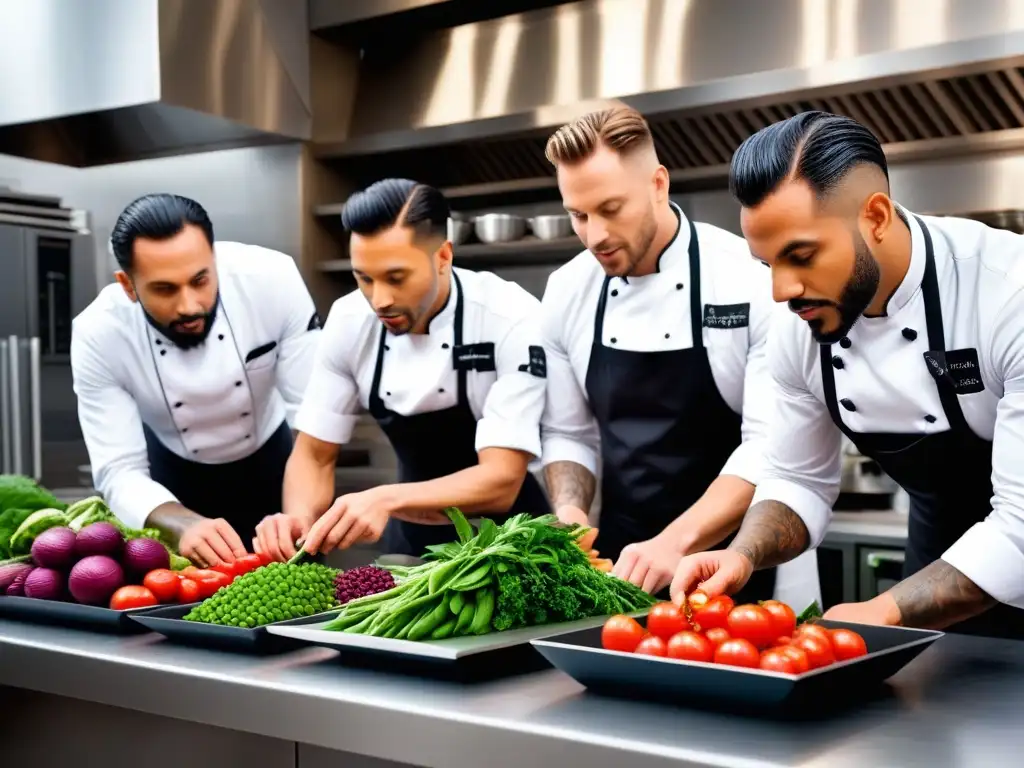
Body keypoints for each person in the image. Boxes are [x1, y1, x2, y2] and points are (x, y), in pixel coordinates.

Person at [671, 110, 1024, 638]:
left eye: (802, 255)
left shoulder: (1006, 291)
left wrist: (882, 611)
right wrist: (742, 555)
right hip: (937, 570)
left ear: (876, 218)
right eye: (769, 264)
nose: (781, 291)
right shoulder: (800, 325)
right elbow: (797, 479)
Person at [538, 104, 820, 603]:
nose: (594, 235)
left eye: (610, 208)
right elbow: (568, 433)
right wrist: (570, 515)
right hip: (622, 570)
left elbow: (769, 446)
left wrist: (675, 543)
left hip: (739, 564)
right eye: (577, 215)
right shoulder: (566, 290)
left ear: (658, 185)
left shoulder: (747, 277)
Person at [255, 179, 550, 560]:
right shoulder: (349, 322)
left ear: (443, 257)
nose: (379, 300)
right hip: (410, 543)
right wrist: (299, 518)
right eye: (364, 278)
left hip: (513, 542)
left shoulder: (508, 316)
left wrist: (385, 499)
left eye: (396, 278)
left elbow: (501, 479)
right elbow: (314, 454)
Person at [71, 193, 320, 568]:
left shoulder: (272, 279)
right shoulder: (99, 332)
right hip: (170, 484)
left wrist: (299, 513)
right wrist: (181, 522)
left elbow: (312, 417)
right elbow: (118, 469)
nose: (189, 305)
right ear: (127, 285)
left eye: (200, 280)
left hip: (279, 467)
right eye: (165, 289)